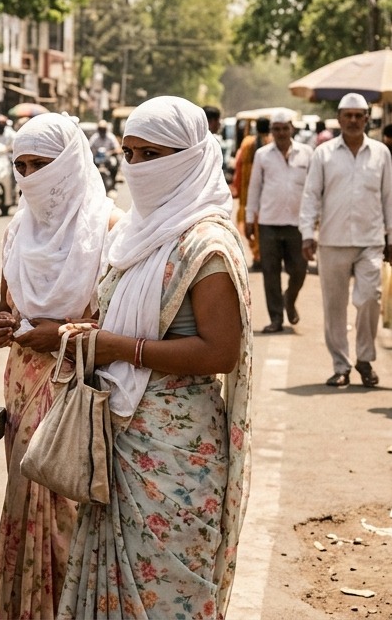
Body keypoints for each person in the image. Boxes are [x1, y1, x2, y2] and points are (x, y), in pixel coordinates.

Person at [54, 95, 252, 619]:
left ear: (188, 158)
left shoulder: (205, 245)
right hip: (120, 433)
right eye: (130, 153)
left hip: (176, 451)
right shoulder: (133, 234)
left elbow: (221, 351)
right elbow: (122, 314)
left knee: (170, 595)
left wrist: (121, 348)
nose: (137, 168)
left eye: (152, 155)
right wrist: (94, 333)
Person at [0, 114, 118, 619]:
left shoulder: (109, 229)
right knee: (25, 501)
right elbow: (7, 307)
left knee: (68, 516)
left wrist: (59, 336)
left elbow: (121, 329)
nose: (31, 175)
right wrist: (2, 327)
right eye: (21, 165)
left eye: (43, 163)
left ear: (69, 163)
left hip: (75, 391)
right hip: (23, 385)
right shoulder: (18, 228)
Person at [299, 92, 392, 388]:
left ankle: (365, 360)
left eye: (359, 115)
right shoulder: (324, 154)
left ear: (367, 119)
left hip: (370, 241)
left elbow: (389, 198)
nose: (353, 121)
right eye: (348, 115)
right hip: (332, 240)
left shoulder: (381, 153)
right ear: (340, 119)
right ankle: (340, 365)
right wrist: (307, 233)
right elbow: (310, 196)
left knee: (369, 298)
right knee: (335, 307)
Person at [247, 109, 313, 333]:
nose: (281, 133)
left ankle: (290, 299)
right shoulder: (263, 154)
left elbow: (314, 189)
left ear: (292, 129)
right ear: (271, 131)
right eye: (277, 129)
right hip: (269, 222)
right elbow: (254, 187)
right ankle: (276, 318)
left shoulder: (306, 153)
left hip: (299, 223)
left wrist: (315, 219)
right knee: (270, 272)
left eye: (285, 128)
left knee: (299, 270)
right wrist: (249, 217)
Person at [233, 116, 270, 265]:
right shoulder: (272, 143)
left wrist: (237, 184)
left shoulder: (247, 142)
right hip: (264, 189)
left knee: (251, 221)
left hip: (248, 188)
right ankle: (260, 253)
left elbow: (238, 164)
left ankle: (258, 253)